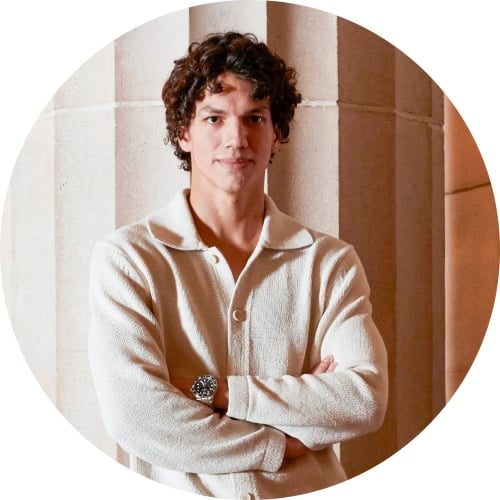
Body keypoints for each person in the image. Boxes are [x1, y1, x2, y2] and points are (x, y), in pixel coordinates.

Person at [88, 32, 388, 499]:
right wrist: (276, 444)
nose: (237, 138)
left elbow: (363, 399)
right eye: (214, 118)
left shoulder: (329, 262)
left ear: (277, 135)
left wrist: (215, 391)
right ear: (183, 133)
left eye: (255, 118)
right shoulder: (128, 258)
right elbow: (138, 415)